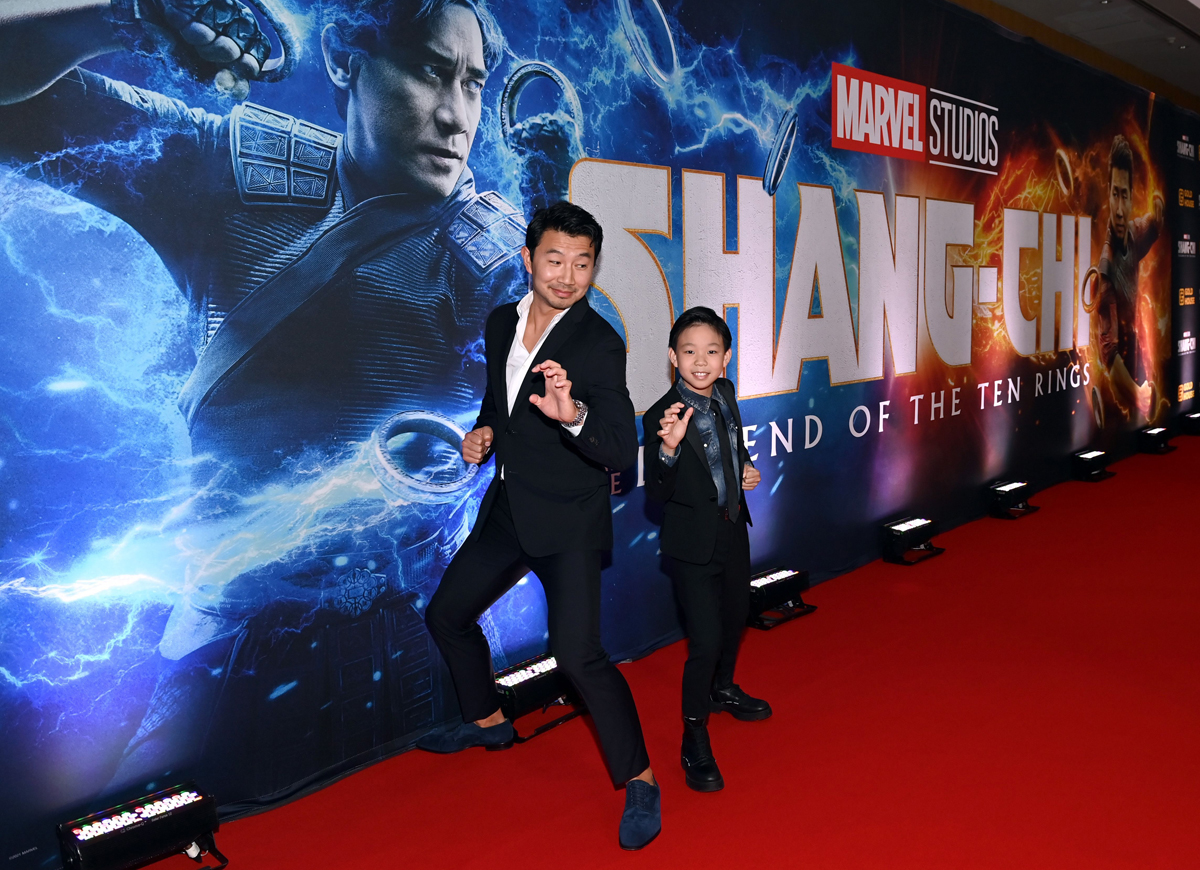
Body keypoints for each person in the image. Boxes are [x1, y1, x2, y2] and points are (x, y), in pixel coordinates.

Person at [0, 0, 533, 796]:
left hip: (417, 646)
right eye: (429, 70)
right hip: (226, 644)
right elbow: (22, 106)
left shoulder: (493, 260)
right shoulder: (224, 171)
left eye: (473, 83)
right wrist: (130, 16)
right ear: (347, 60)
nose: (457, 116)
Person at [419, 201, 661, 851]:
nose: (568, 275)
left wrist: (573, 412)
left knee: (578, 655)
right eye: (555, 259)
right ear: (529, 260)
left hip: (569, 521)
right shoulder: (502, 322)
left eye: (583, 263)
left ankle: (640, 779)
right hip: (508, 510)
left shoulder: (599, 343)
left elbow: (619, 449)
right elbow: (499, 403)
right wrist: (484, 433)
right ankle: (490, 720)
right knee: (445, 615)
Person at [642, 306, 769, 793]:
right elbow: (655, 488)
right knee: (706, 641)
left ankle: (722, 689)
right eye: (689, 352)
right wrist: (670, 448)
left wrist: (747, 469)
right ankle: (693, 736)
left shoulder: (726, 394)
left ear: (726, 358)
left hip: (733, 529)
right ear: (673, 357)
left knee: (737, 616)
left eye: (711, 352)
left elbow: (732, 448)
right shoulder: (661, 415)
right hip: (692, 545)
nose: (700, 362)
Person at [1090, 133, 1165, 426]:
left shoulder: (1134, 233)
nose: (1119, 209)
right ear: (1108, 194)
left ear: (1131, 195)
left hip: (1135, 359)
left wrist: (1158, 211)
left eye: (1125, 195)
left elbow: (1152, 226)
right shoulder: (1106, 272)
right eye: (1114, 194)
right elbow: (1108, 354)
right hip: (1115, 393)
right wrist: (1138, 395)